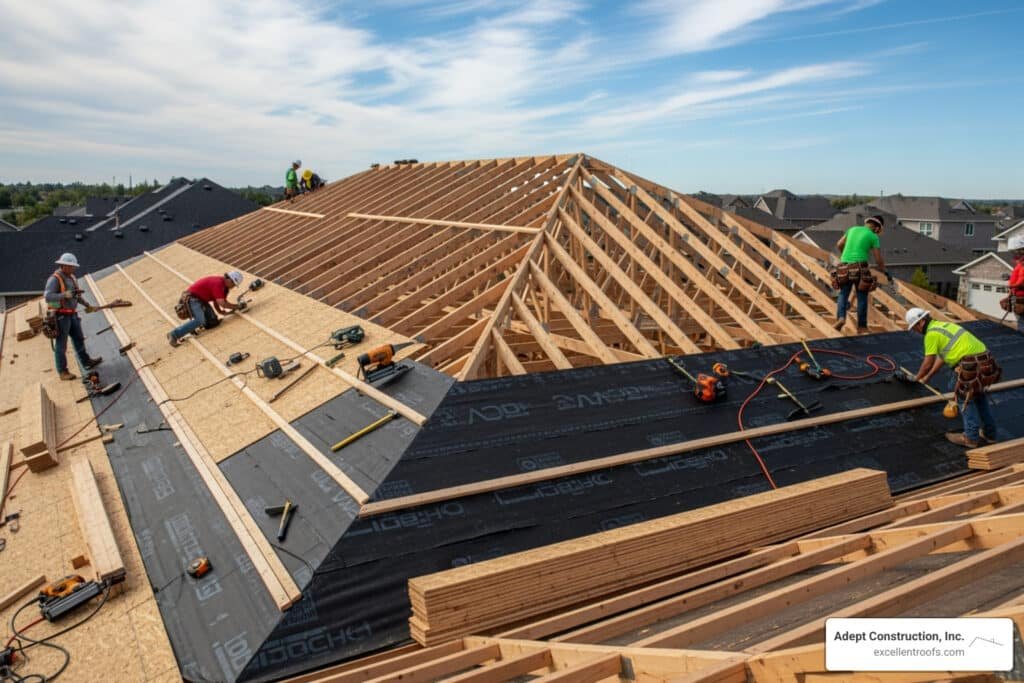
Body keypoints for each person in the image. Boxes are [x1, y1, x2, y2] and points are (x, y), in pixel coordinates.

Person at [905, 307, 1001, 447]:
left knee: (964, 399)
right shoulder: (946, 326)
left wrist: (916, 377)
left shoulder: (931, 334)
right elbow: (942, 357)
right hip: (985, 361)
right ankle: (990, 434)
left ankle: (971, 437)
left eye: (914, 327)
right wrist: (928, 377)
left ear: (921, 322)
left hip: (970, 365)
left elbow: (928, 362)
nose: (915, 331)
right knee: (979, 396)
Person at [44, 253, 103, 380]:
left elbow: (76, 295)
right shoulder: (55, 279)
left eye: (73, 267)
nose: (73, 269)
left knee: (79, 338)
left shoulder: (71, 278)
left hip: (72, 314)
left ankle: (86, 362)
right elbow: (48, 296)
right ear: (63, 265)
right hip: (61, 316)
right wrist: (64, 295)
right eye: (71, 266)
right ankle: (62, 371)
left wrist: (87, 304)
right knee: (61, 344)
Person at [833, 215, 890, 333]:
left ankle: (841, 318)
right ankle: (862, 326)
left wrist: (846, 255)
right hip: (860, 268)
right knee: (862, 296)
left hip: (844, 266)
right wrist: (885, 271)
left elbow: (839, 244)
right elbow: (878, 258)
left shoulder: (852, 229)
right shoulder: (873, 236)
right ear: (877, 228)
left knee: (843, 293)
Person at [168, 271, 245, 347]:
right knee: (200, 320)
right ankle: (174, 334)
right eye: (233, 284)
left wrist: (220, 311)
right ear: (229, 279)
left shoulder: (224, 287)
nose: (233, 287)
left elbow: (217, 301)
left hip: (201, 300)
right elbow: (222, 303)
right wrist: (237, 306)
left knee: (213, 323)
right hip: (192, 299)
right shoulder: (218, 283)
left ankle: (192, 326)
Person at [1006, 235, 1024, 333]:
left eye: (1017, 252)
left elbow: (1021, 283)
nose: (1015, 256)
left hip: (1022, 300)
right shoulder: (1020, 265)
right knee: (1020, 324)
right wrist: (1009, 295)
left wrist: (1011, 286)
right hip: (1018, 299)